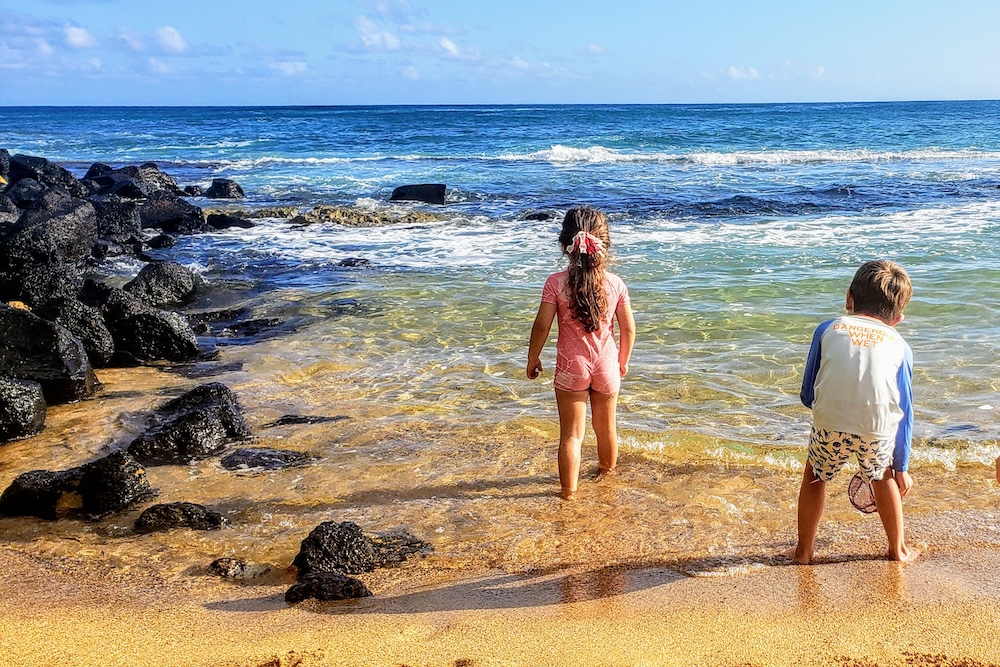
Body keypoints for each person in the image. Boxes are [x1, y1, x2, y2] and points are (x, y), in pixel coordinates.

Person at [794, 260, 918, 564]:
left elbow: (808, 392)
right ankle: (897, 550)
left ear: (849, 297)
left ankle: (804, 552)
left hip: (831, 421)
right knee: (884, 476)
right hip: (876, 427)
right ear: (898, 318)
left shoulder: (828, 328)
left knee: (815, 476)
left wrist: (825, 407)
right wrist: (901, 466)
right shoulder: (900, 346)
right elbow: (904, 410)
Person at [527, 207, 636, 500]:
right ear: (605, 243)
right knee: (606, 429)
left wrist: (533, 357)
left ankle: (568, 493)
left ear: (565, 245)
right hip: (606, 365)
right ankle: (606, 480)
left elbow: (541, 327)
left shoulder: (555, 282)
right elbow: (628, 330)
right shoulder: (615, 284)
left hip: (570, 366)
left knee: (572, 436)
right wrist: (622, 360)